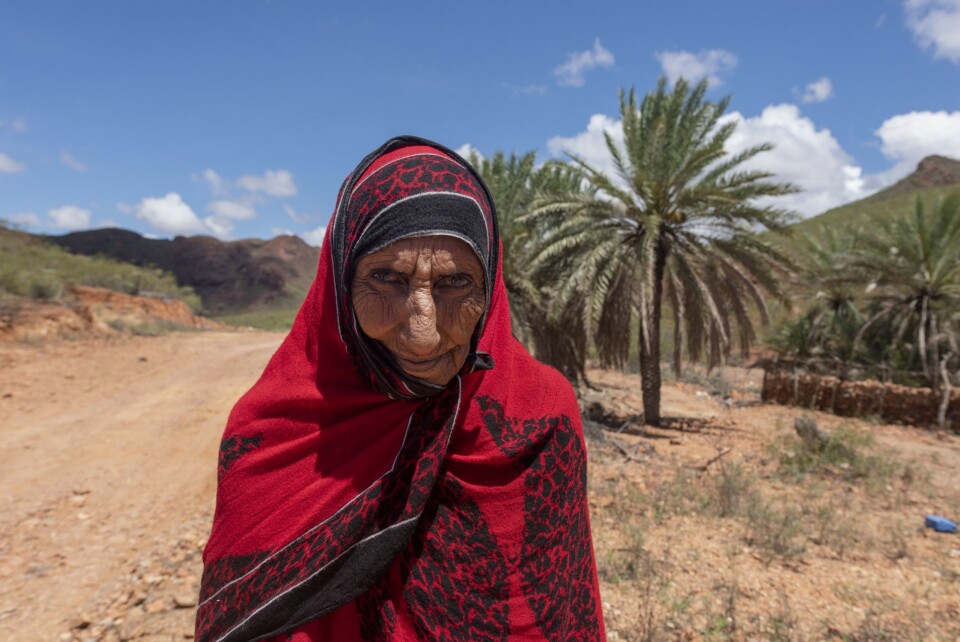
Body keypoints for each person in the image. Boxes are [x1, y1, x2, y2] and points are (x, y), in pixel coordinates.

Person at [195, 136, 606, 641]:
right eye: (387, 279)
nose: (423, 332)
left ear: (491, 285)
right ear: (341, 284)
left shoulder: (541, 418)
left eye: (456, 284)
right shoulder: (272, 437)